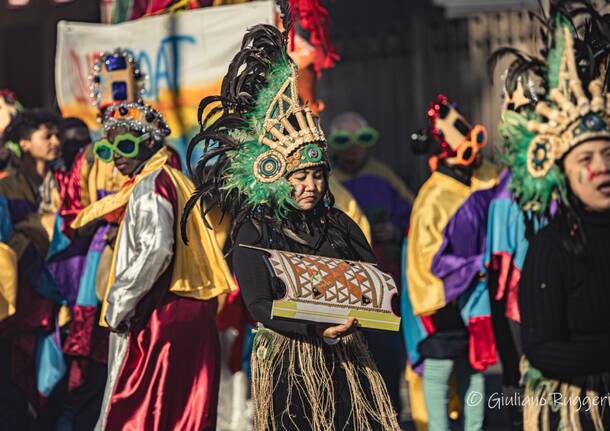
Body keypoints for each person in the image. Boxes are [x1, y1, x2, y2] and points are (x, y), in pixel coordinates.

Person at [183, 5, 399, 430]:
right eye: (299, 176)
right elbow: (260, 304)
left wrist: (361, 316)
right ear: (278, 176)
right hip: (288, 365)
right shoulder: (255, 229)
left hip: (347, 364)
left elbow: (372, 281)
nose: (310, 186)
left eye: (318, 176)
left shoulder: (340, 224)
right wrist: (317, 330)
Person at [69, 102, 234, 431]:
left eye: (126, 145)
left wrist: (119, 303)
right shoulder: (176, 179)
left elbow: (155, 249)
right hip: (192, 316)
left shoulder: (150, 185)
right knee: (184, 415)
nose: (117, 156)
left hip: (161, 321)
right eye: (108, 148)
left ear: (150, 144)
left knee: (139, 415)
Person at [498, 3, 610, 428]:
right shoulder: (552, 245)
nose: (600, 167)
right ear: (560, 171)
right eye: (585, 158)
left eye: (607, 153)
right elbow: (541, 348)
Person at [403, 95, 498, 431]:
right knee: (440, 368)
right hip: (444, 299)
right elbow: (426, 260)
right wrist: (470, 269)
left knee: (476, 367)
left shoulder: (488, 178)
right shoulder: (433, 197)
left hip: (483, 294)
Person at [329, 111, 413, 410]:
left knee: (387, 353)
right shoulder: (327, 181)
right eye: (343, 140)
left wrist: (396, 230)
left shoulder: (383, 175)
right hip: (345, 285)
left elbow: (414, 218)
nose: (353, 147)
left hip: (385, 281)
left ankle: (389, 411)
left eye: (361, 139)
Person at [0, 109, 63, 428]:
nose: (55, 142)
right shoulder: (8, 188)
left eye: (56, 134)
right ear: (24, 144)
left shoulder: (66, 182)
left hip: (64, 292)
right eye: (46, 135)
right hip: (25, 296)